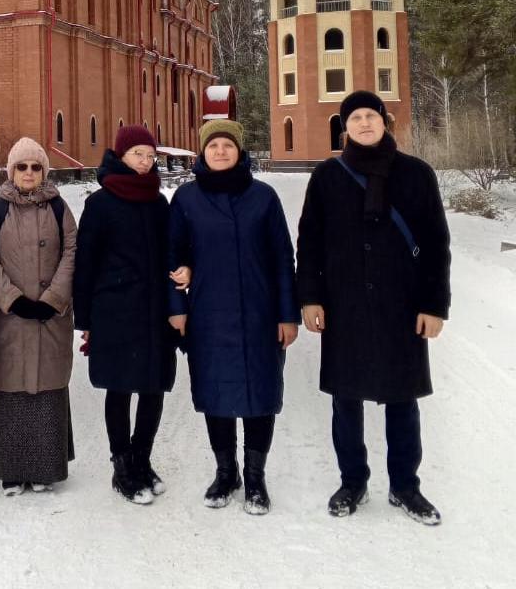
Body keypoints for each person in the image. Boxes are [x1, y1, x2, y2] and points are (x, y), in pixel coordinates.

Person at [296, 90, 451, 525]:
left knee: (403, 399)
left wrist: (433, 305)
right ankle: (353, 482)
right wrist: (310, 297)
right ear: (344, 127)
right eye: (356, 118)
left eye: (372, 116)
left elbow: (437, 243)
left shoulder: (417, 175)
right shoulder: (328, 176)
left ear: (385, 122)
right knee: (347, 399)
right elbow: (309, 242)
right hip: (344, 305)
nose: (364, 123)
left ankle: (405, 486)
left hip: (402, 305)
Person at [168, 119, 299, 514]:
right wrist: (177, 310)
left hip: (260, 313)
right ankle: (226, 472)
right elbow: (172, 257)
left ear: (239, 152)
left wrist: (287, 314)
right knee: (215, 394)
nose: (220, 151)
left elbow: (282, 259)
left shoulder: (263, 197)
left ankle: (255, 477)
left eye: (227, 145)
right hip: (208, 314)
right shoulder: (187, 199)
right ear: (202, 152)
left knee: (261, 395)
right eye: (213, 146)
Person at [74, 125, 177, 505]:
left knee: (153, 387)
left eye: (151, 156)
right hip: (114, 311)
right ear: (121, 156)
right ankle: (122, 467)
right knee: (119, 388)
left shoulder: (158, 202)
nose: (146, 162)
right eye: (139, 155)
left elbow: (171, 252)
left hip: (154, 311)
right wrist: (84, 320)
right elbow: (85, 263)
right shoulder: (100, 204)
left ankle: (142, 459)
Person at [0, 138, 77, 495]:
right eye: (22, 167)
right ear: (11, 171)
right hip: (10, 318)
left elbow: (71, 254)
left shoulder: (59, 208)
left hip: (51, 317)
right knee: (10, 386)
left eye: (36, 167)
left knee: (48, 387)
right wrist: (11, 299)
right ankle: (10, 468)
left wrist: (53, 299)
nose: (29, 173)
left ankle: (44, 468)